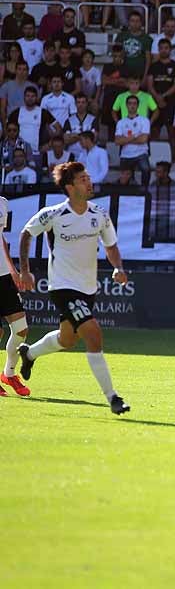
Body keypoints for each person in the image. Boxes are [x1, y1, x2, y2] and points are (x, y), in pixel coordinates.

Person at [16, 163, 130, 415]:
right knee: (93, 333)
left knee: (67, 339)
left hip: (88, 288)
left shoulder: (99, 214)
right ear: (70, 187)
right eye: (82, 179)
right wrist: (25, 270)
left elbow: (110, 246)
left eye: (88, 178)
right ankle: (113, 397)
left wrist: (118, 267)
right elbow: (26, 234)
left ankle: (30, 354)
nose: (88, 183)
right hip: (62, 287)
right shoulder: (54, 214)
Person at [0, 196, 29, 397]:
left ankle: (8, 374)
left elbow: (0, 238)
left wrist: (12, 269)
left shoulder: (2, 202)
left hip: (3, 276)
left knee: (21, 329)